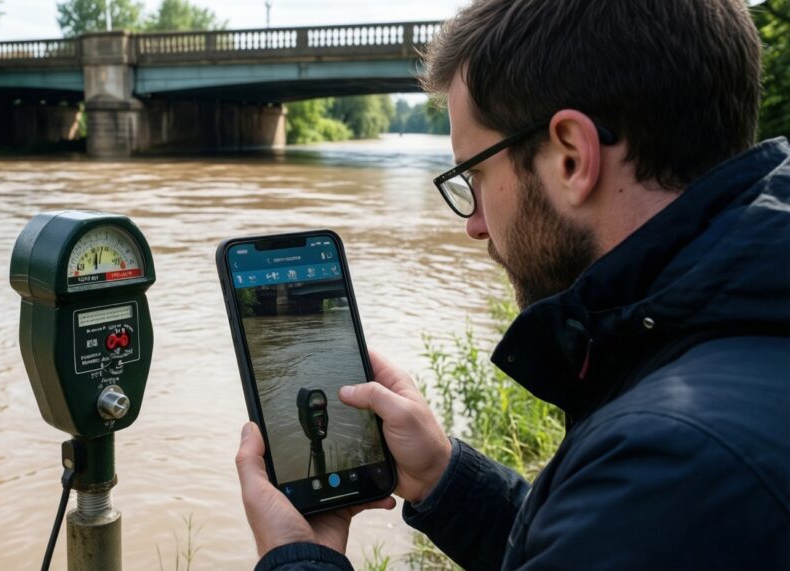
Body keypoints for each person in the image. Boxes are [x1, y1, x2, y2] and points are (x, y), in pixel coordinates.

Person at [235, 0, 790, 569]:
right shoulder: (736, 344)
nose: (475, 225)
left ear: (572, 158)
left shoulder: (671, 459)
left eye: (474, 174)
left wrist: (298, 559)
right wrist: (442, 479)